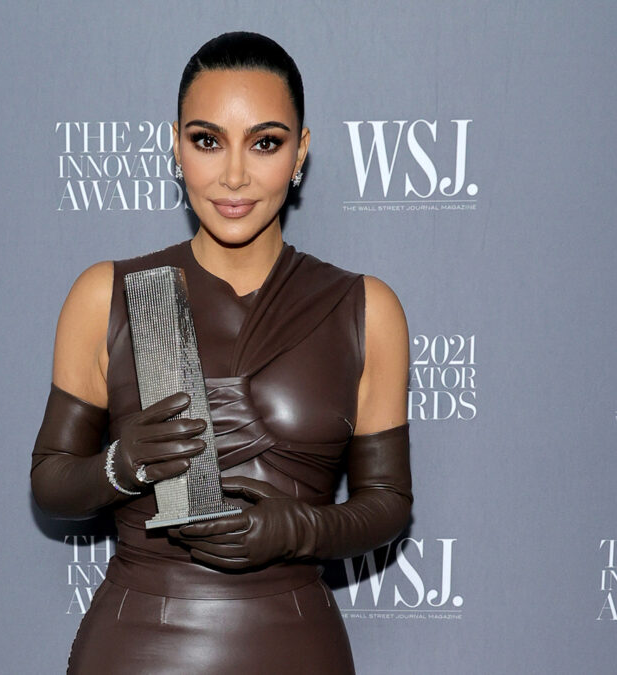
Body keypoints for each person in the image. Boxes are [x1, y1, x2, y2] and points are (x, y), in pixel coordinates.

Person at [31, 31, 412, 674]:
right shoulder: (113, 294)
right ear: (176, 146)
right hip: (137, 644)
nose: (234, 174)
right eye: (207, 140)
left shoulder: (365, 308)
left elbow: (388, 504)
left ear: (301, 153)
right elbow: (50, 481)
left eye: (265, 142)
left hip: (296, 645)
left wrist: (300, 531)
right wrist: (121, 466)